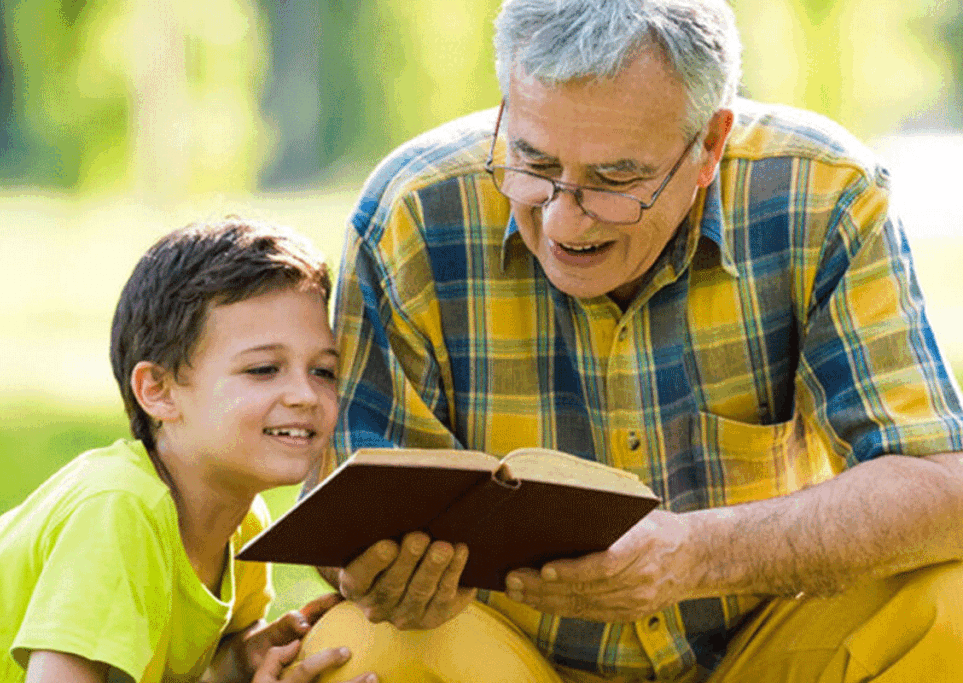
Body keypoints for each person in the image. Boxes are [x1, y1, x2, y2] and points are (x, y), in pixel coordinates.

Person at [300, 0, 963, 681]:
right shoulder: (411, 212)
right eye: (532, 159)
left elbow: (943, 490)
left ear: (709, 145)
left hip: (763, 647)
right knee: (360, 647)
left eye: (616, 179)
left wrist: (698, 554)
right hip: (514, 660)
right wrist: (379, 571)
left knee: (952, 605)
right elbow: (343, 517)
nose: (562, 219)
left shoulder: (822, 195)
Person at [0, 218, 378, 683]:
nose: (305, 395)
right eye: (265, 368)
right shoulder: (120, 511)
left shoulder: (244, 525)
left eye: (324, 371)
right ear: (158, 391)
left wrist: (243, 665)